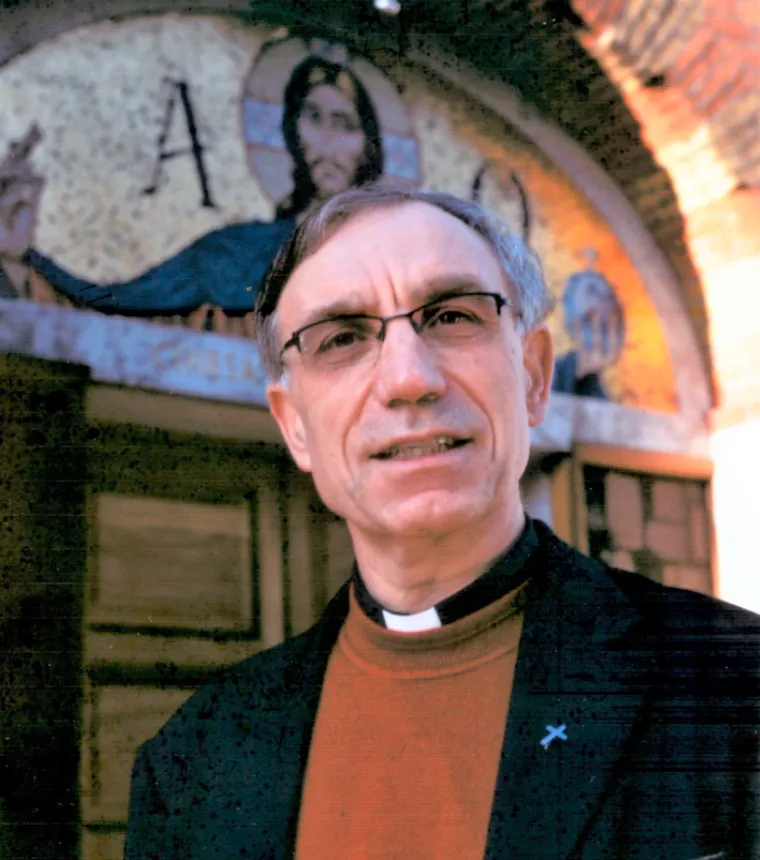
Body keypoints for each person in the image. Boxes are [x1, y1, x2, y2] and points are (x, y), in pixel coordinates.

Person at [125, 186, 760, 860]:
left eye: (453, 315)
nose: (409, 379)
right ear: (295, 427)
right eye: (342, 337)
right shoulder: (196, 761)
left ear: (534, 376)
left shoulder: (734, 686)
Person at [11, 55, 384, 316]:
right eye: (314, 118)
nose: (328, 141)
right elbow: (117, 302)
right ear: (292, 133)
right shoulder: (234, 250)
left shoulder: (394, 264)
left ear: (367, 146)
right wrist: (21, 255)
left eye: (345, 124)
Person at [552, 267, 624, 400]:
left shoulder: (600, 395)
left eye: (609, 321)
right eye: (590, 318)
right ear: (575, 325)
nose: (602, 334)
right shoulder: (550, 376)